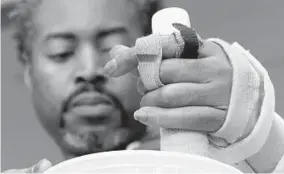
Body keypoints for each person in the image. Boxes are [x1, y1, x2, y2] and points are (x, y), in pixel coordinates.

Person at [2, 0, 284, 173]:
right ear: (28, 72)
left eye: (112, 47)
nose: (89, 70)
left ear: (152, 55)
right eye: (61, 52)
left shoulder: (234, 161)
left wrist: (260, 134)